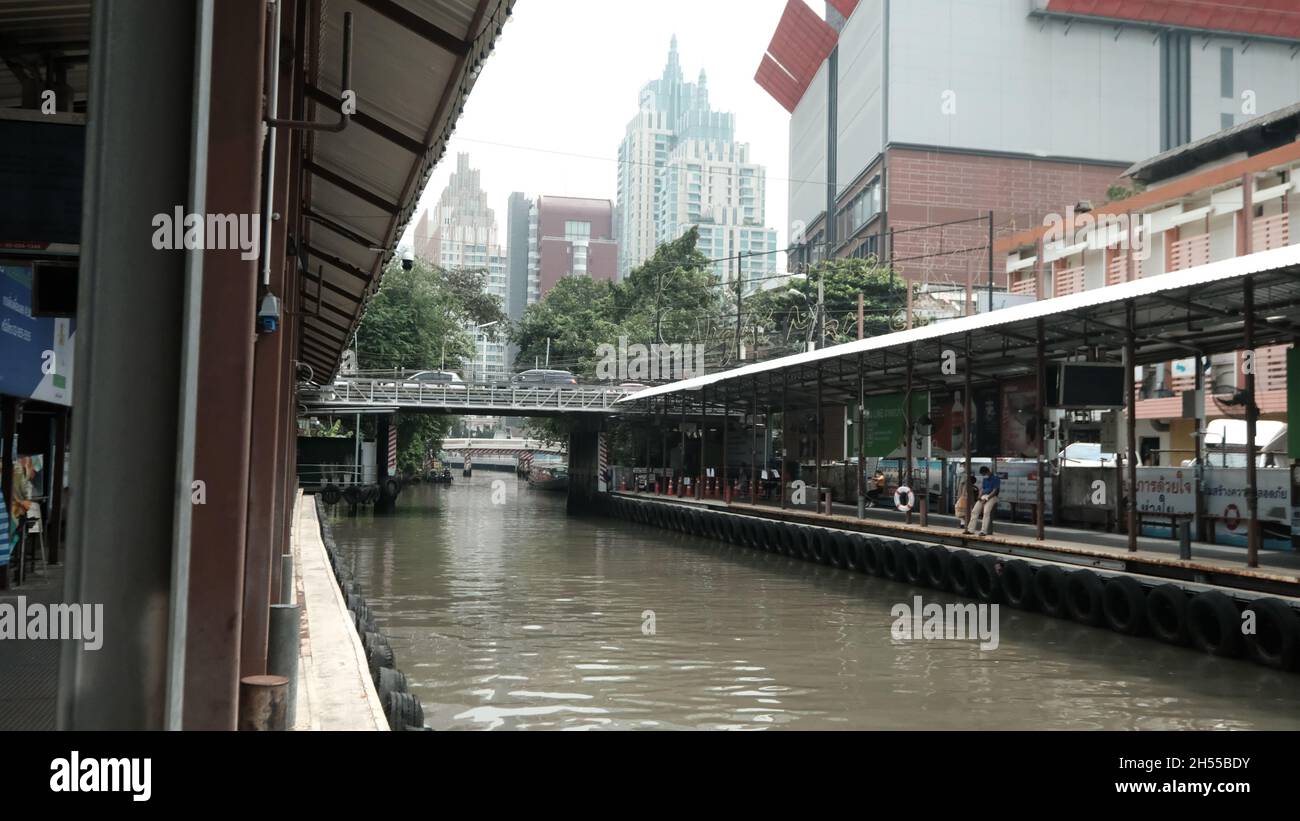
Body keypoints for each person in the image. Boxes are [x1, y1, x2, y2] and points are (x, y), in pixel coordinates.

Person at [964, 466, 1001, 536]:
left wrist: (987, 499)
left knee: (986, 512)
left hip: (992, 497)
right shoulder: (985, 479)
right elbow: (983, 489)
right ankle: (970, 530)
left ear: (988, 471)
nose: (984, 476)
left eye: (984, 474)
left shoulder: (996, 478)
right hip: (984, 496)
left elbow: (995, 491)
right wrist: (979, 496)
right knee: (974, 511)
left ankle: (983, 531)